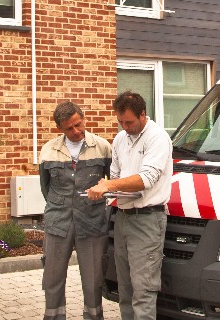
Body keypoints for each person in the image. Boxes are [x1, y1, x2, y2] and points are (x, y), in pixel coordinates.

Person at [85, 91, 172, 320]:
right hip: (122, 217)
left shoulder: (157, 137)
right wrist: (102, 188)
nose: (125, 126)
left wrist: (108, 185)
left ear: (143, 114)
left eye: (129, 122)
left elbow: (147, 178)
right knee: (125, 288)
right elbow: (114, 175)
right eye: (120, 121)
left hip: (147, 219)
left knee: (143, 290)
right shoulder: (120, 139)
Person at [40, 102, 113, 320]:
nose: (76, 132)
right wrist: (61, 205)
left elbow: (112, 181)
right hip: (57, 223)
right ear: (60, 129)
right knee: (52, 277)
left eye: (78, 125)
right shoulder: (48, 150)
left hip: (92, 222)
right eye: (69, 128)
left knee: (93, 279)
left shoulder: (103, 147)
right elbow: (46, 188)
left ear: (83, 118)